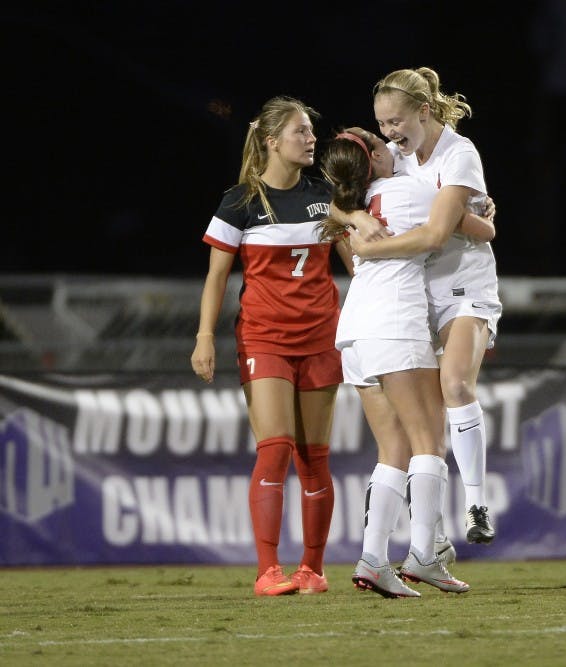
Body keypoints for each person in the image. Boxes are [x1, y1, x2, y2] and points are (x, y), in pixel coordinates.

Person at [320, 128, 494, 596]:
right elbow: (484, 231)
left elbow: (328, 207)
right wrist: (476, 208)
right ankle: (424, 556)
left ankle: (373, 559)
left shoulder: (354, 203)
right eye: (382, 142)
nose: (393, 145)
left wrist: (354, 221)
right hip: (396, 323)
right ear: (375, 156)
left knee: (393, 449)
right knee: (428, 442)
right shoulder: (412, 190)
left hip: (354, 330)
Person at [191, 96, 352, 596]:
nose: (311, 139)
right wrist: (204, 337)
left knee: (314, 457)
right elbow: (216, 278)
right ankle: (267, 571)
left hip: (322, 337)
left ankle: (313, 570)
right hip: (264, 337)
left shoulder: (326, 197)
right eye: (301, 131)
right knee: (276, 447)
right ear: (272, 142)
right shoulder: (239, 202)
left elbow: (360, 264)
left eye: (311, 131)